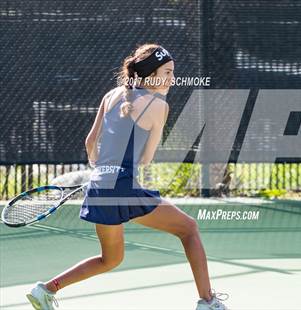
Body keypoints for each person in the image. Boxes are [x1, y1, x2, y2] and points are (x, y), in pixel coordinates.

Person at [26, 43, 228, 310]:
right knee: (189, 229)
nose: (173, 79)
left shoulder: (111, 95)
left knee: (110, 259)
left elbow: (90, 142)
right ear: (150, 74)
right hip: (121, 187)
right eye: (167, 72)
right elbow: (145, 159)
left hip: (98, 188)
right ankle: (208, 302)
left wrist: (101, 170)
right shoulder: (158, 105)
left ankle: (45, 290)